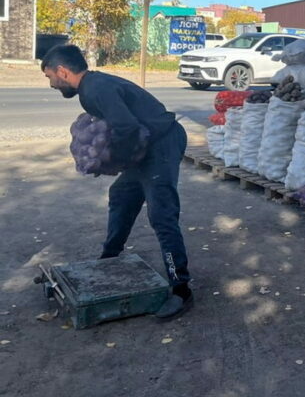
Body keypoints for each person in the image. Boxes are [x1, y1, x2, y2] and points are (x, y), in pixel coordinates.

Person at [42, 44, 193, 318]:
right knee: (122, 195)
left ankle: (181, 289)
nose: (51, 83)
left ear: (62, 71)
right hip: (146, 146)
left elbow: (127, 128)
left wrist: (115, 162)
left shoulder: (95, 88)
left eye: (49, 76)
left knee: (162, 215)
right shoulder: (92, 86)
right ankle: (110, 258)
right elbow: (122, 128)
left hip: (162, 144)